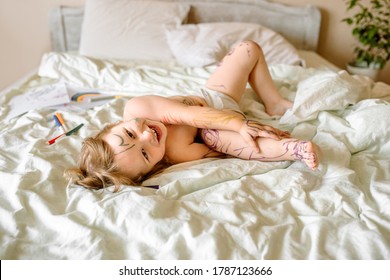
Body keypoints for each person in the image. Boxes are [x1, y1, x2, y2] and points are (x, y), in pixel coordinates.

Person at [66, 41, 319, 191]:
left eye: (131, 133)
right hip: (219, 128)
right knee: (218, 140)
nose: (147, 136)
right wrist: (237, 135)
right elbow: (218, 152)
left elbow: (190, 115)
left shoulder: (138, 108)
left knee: (248, 48)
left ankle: (273, 101)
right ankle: (292, 149)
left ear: (115, 124)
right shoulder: (174, 152)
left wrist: (239, 123)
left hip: (214, 99)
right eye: (144, 153)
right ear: (149, 170)